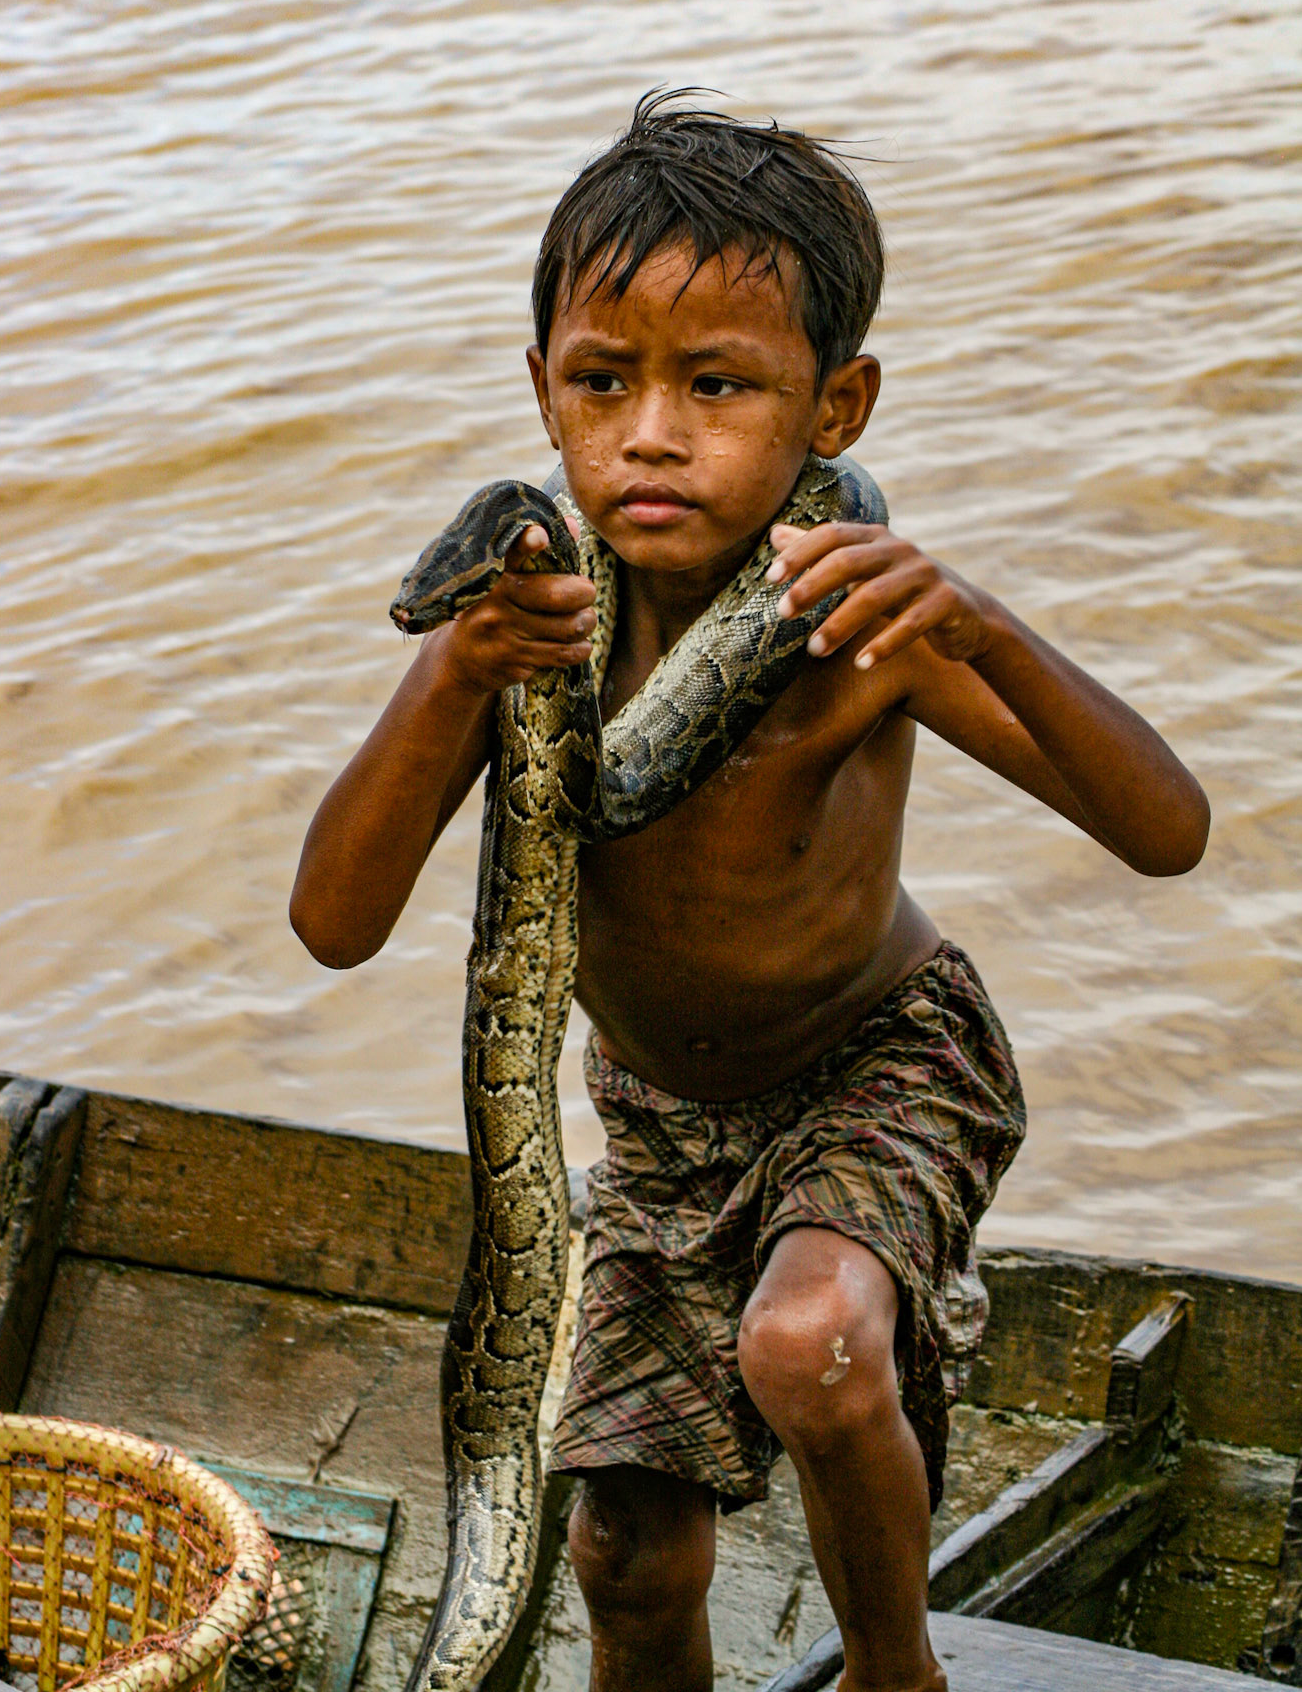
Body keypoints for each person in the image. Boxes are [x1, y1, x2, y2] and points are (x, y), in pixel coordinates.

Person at [289, 94, 1209, 1692]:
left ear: (832, 408)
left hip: (882, 1060)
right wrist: (452, 674)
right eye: (602, 383)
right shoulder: (523, 634)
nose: (651, 433)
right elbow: (336, 922)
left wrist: (980, 625)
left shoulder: (859, 621)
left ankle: (893, 1674)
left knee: (812, 1343)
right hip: (654, 1124)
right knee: (622, 1556)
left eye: (717, 386)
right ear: (542, 395)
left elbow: (1163, 830)